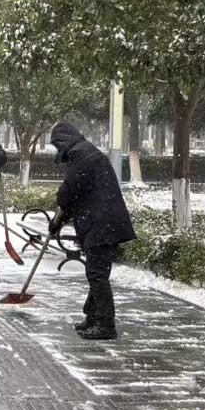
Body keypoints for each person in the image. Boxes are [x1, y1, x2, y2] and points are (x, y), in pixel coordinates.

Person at [49, 121, 137, 341]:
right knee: (96, 272)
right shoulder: (84, 151)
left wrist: (59, 213)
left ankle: (106, 325)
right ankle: (93, 316)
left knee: (97, 275)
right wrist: (59, 221)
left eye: (56, 146)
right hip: (102, 221)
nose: (57, 151)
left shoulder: (81, 154)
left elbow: (69, 191)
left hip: (102, 222)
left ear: (62, 141)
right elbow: (77, 193)